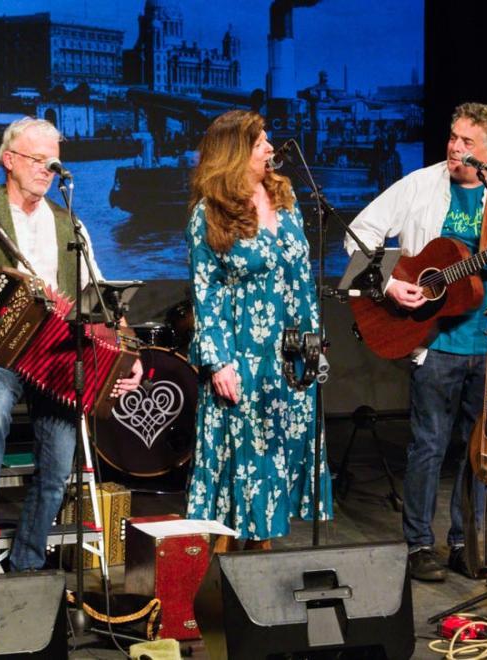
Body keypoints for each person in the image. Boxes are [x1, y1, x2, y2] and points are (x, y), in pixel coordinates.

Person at [346, 102, 487, 580]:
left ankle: (466, 542)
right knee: (428, 445)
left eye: (467, 142)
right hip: (434, 342)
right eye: (453, 137)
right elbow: (358, 233)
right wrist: (388, 283)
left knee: (477, 448)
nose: (455, 148)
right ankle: (419, 543)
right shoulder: (420, 184)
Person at [0, 117, 142, 570]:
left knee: (58, 465)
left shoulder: (70, 225)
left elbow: (100, 297)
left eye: (54, 162)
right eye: (39, 160)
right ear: (9, 160)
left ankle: (27, 565)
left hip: (55, 357)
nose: (48, 170)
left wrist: (126, 353)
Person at [184, 110, 332, 551]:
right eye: (261, 143)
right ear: (235, 153)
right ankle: (219, 579)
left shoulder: (286, 202)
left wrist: (314, 347)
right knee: (240, 466)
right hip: (242, 357)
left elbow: (302, 279)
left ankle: (261, 570)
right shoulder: (208, 214)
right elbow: (204, 292)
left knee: (277, 459)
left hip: (290, 358)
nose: (270, 149)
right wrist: (218, 362)